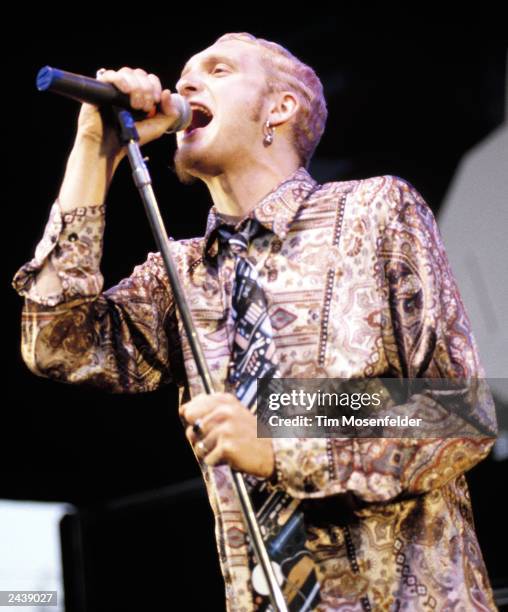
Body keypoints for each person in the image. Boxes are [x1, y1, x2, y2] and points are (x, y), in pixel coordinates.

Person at [13, 32, 498, 611]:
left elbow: (458, 411)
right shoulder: (180, 273)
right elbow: (56, 343)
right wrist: (95, 151)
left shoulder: (374, 211)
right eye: (185, 74)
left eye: (217, 70)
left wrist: (280, 438)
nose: (185, 85)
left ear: (280, 107)